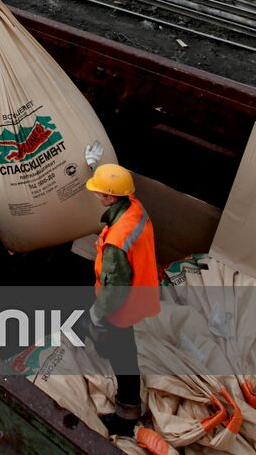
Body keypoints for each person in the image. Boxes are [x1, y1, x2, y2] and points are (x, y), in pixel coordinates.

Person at [78, 149, 161, 437]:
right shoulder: (134, 207)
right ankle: (103, 340)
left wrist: (97, 314)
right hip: (141, 289)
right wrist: (93, 167)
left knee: (124, 356)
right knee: (115, 341)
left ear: (110, 198)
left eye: (99, 192)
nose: (96, 195)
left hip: (122, 305)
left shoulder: (116, 241)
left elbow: (115, 291)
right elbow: (113, 186)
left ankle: (127, 410)